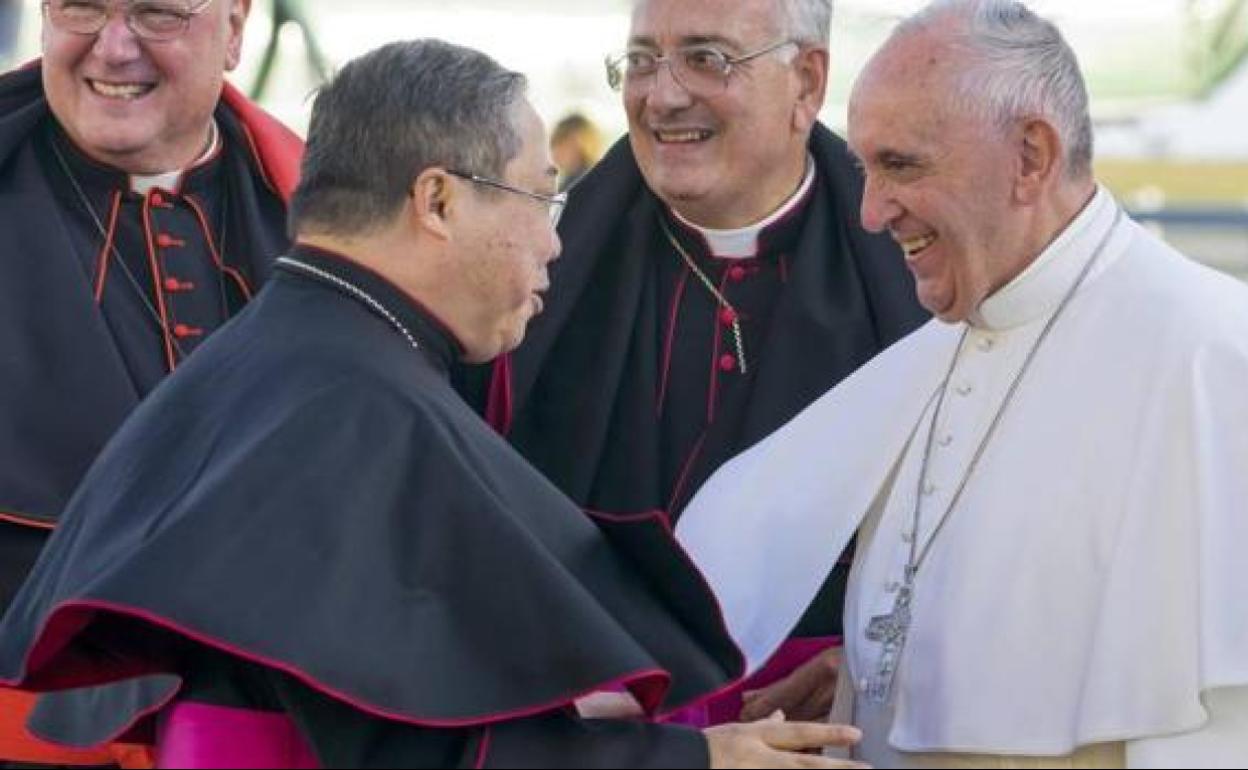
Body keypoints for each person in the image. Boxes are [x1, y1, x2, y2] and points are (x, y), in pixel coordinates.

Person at [0, 40, 865, 769]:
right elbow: (408, 743)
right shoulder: (352, 408)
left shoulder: (306, 350)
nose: (556, 240)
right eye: (539, 195)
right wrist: (700, 759)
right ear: (440, 200)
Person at [678, 0, 1248, 766]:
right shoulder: (945, 346)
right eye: (864, 169)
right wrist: (875, 678)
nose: (872, 213)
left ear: (1031, 157)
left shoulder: (1213, 357)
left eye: (902, 165)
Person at [459, 0, 928, 726]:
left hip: (833, 730)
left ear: (806, 82)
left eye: (707, 58)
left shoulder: (923, 280)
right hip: (598, 731)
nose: (663, 95)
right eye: (642, 60)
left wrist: (888, 659)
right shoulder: (525, 278)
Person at [0, 0, 301, 764]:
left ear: (235, 29)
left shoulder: (331, 217)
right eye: (82, 8)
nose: (113, 47)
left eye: (157, 13)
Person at [550, 111, 604, 191]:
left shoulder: (584, 184)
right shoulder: (570, 181)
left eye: (562, 143)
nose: (555, 151)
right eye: (555, 144)